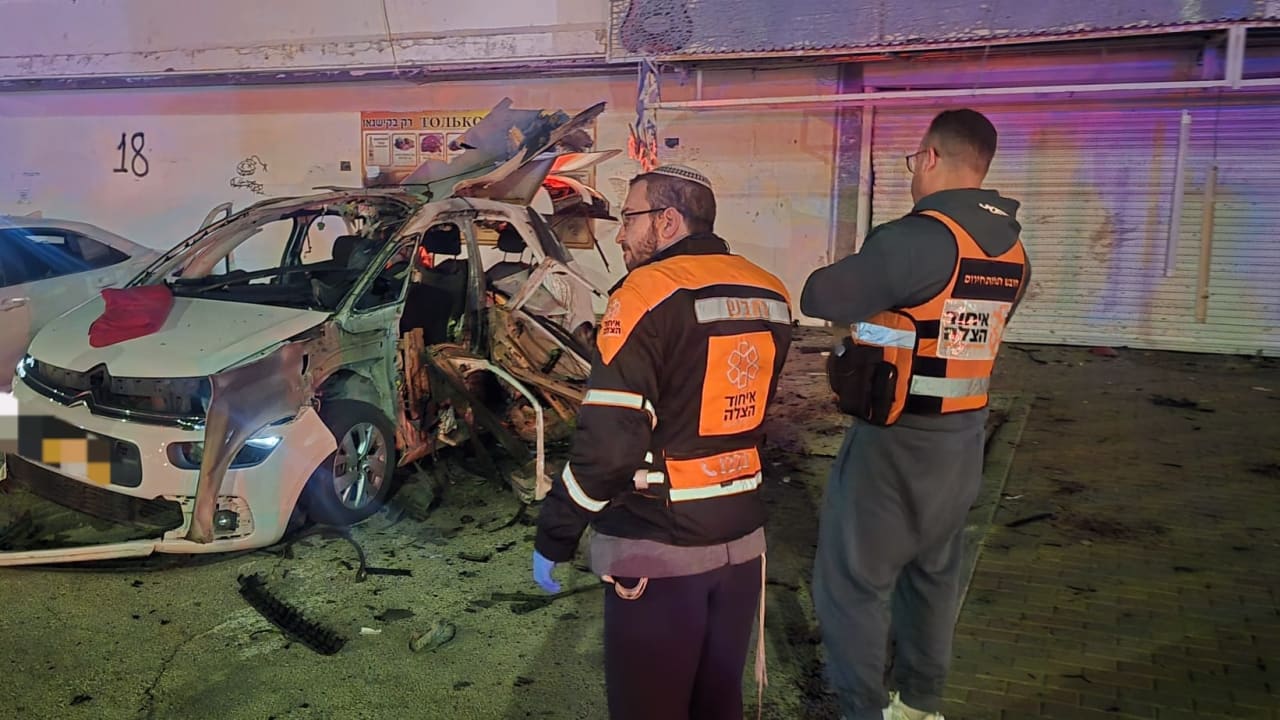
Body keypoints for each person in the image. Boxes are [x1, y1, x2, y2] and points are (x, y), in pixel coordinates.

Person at [532, 164, 794, 720]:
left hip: (660, 548)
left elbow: (609, 448)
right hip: (743, 541)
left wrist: (556, 531)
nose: (621, 234)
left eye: (629, 218)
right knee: (717, 704)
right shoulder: (770, 290)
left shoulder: (645, 293)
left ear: (668, 221)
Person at [800, 109, 1031, 720]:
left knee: (853, 582)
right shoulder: (1012, 249)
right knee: (933, 575)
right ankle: (921, 703)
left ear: (930, 157)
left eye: (912, 162)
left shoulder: (918, 237)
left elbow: (821, 294)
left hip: (896, 440)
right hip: (962, 438)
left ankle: (861, 708)